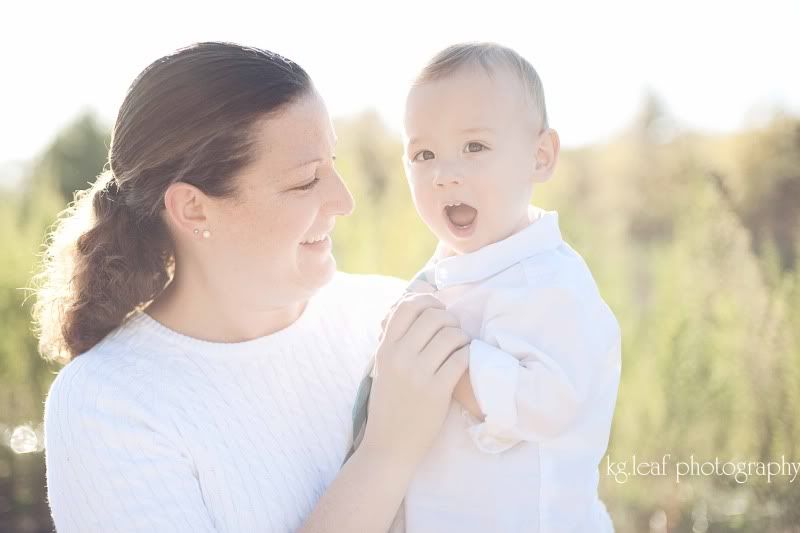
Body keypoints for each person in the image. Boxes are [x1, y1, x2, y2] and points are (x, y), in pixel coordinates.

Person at [33, 41, 470, 533]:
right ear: (193, 208)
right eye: (306, 182)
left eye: (332, 163)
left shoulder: (395, 315)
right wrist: (387, 453)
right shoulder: (109, 405)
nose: (344, 200)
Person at [349, 42, 623, 532]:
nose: (444, 174)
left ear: (540, 157)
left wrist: (445, 362)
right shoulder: (447, 273)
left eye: (474, 147)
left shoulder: (551, 282)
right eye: (424, 153)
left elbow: (549, 402)